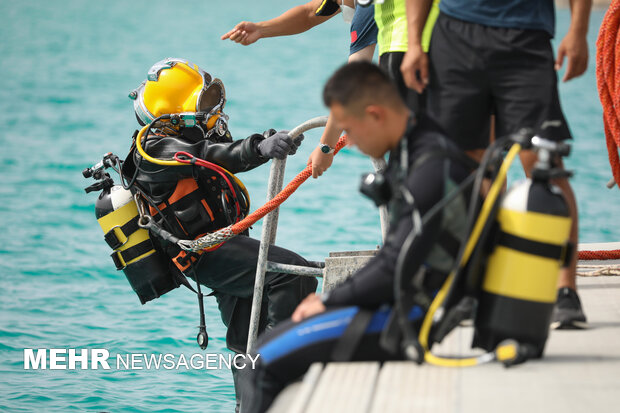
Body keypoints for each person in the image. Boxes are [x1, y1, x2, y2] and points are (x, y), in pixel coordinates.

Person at [240, 61, 477, 413]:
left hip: (414, 317)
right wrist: (336, 300)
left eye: (349, 130)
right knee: (266, 347)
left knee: (258, 362)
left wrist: (329, 301)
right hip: (406, 300)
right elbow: (395, 255)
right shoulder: (419, 146)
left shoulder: (428, 169)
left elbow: (394, 266)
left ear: (374, 115)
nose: (349, 144)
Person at [123, 58, 318, 409]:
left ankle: (252, 404)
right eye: (204, 104)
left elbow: (225, 150)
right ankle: (278, 376)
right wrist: (259, 147)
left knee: (248, 333)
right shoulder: (155, 150)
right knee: (289, 275)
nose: (214, 112)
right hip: (203, 253)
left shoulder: (189, 135)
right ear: (176, 112)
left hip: (225, 245)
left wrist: (266, 142)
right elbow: (208, 155)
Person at [401, 0, 591, 329]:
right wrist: (415, 43)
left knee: (544, 162)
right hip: (455, 35)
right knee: (468, 168)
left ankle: (565, 290)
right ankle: (473, 285)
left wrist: (578, 31)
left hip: (526, 35)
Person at [221, 0, 378, 179]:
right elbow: (310, 13)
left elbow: (353, 81)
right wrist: (260, 29)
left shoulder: (368, 5)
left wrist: (326, 147)